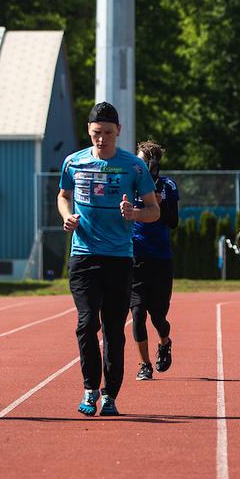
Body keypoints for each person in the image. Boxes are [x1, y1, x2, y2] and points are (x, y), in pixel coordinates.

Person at [58, 102, 159, 416]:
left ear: (119, 132)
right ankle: (89, 389)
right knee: (87, 324)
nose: (101, 140)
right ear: (88, 132)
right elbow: (63, 195)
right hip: (84, 255)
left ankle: (110, 394)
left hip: (118, 257)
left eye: (107, 133)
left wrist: (135, 213)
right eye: (95, 133)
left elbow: (154, 210)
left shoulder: (134, 167)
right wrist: (67, 217)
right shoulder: (73, 162)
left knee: (114, 329)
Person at [130, 140, 179, 380]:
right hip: (135, 257)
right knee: (137, 314)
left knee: (158, 316)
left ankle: (165, 341)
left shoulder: (167, 185)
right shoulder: (129, 183)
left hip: (160, 258)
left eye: (146, 162)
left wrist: (161, 203)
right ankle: (144, 364)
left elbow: (173, 222)